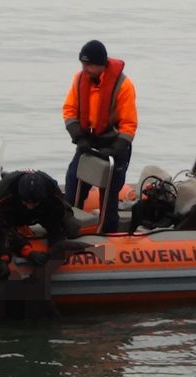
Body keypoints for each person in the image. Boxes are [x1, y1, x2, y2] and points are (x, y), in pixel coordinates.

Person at [63, 39, 138, 233]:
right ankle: (67, 230)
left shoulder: (123, 85)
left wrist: (116, 148)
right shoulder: (80, 79)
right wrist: (79, 137)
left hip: (113, 146)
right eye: (83, 64)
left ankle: (109, 240)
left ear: (100, 64)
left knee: (109, 198)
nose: (84, 68)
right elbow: (69, 111)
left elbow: (128, 124)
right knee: (72, 186)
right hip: (88, 142)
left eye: (88, 64)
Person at [0, 170, 80, 279]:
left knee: (72, 228)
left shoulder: (52, 195)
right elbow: (1, 230)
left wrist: (56, 252)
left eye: (34, 203)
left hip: (42, 211)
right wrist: (25, 252)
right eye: (26, 202)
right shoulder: (4, 196)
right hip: (14, 211)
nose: (30, 206)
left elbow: (55, 227)